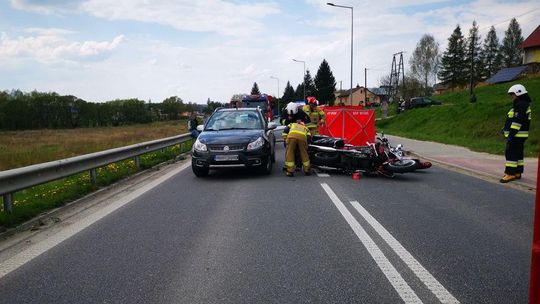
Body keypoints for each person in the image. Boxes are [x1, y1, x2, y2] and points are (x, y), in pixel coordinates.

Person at [500, 84, 532, 183]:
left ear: (519, 93)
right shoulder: (522, 104)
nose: (512, 97)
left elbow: (517, 122)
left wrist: (511, 135)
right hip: (519, 135)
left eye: (513, 95)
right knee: (518, 154)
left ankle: (510, 173)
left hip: (516, 135)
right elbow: (513, 120)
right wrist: (504, 129)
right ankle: (517, 172)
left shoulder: (521, 105)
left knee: (511, 154)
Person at [282, 103, 311, 177]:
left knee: (290, 151)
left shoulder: (300, 113)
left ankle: (290, 170)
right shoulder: (285, 112)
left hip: (291, 135)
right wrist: (307, 143)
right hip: (302, 136)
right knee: (304, 152)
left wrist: (285, 140)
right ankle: (307, 169)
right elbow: (308, 135)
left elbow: (285, 131)